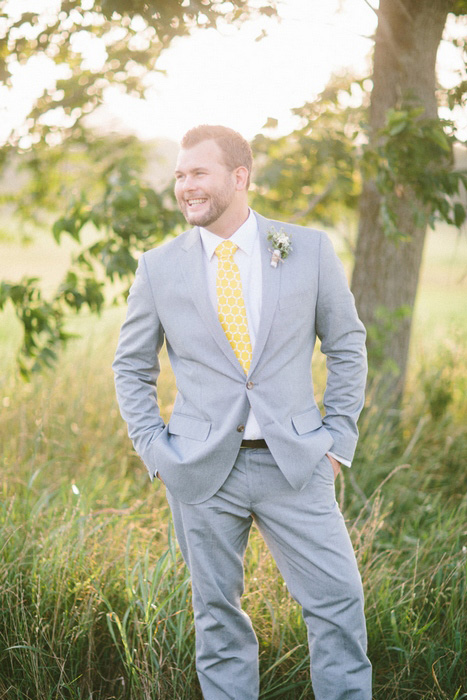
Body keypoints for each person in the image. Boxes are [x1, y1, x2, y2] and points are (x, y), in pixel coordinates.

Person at [113, 124, 372, 700]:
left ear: (240, 176)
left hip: (298, 464)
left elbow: (347, 346)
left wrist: (336, 441)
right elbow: (131, 368)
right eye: (179, 176)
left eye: (197, 173)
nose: (185, 187)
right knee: (218, 620)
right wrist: (158, 453)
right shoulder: (158, 267)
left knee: (338, 607)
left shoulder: (307, 249)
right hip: (201, 471)